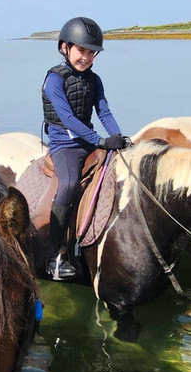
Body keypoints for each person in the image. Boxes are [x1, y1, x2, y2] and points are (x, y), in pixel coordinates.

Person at [41, 17, 129, 281]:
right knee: (69, 185)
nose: (87, 57)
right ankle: (54, 255)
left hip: (88, 141)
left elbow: (104, 111)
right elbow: (68, 119)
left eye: (92, 53)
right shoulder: (54, 80)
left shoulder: (95, 80)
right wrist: (100, 141)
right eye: (81, 50)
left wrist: (118, 137)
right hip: (64, 144)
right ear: (65, 47)